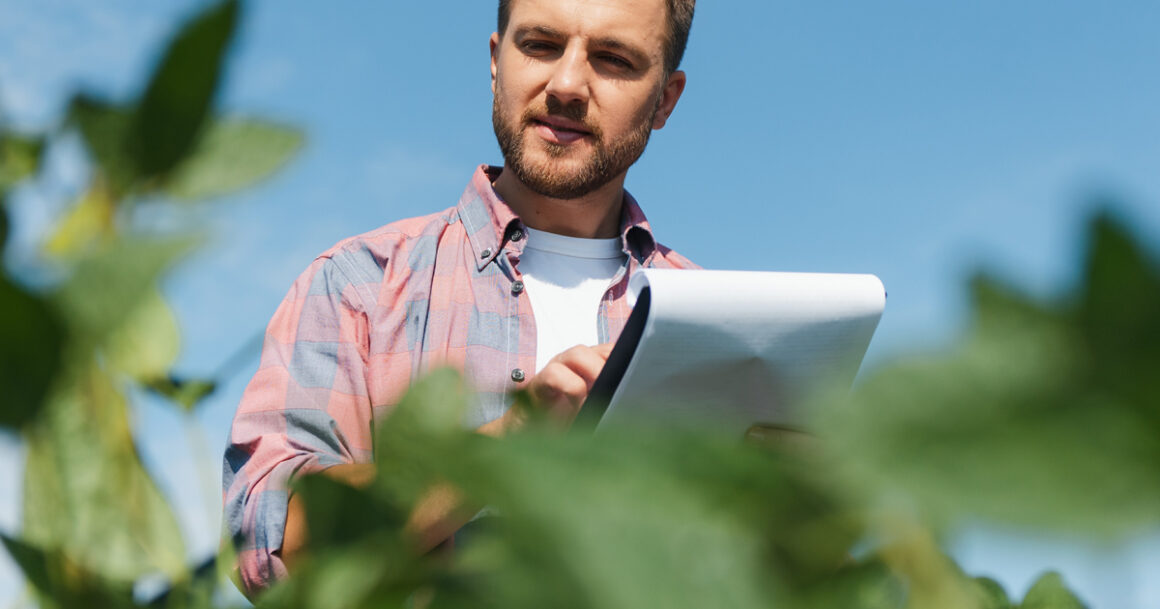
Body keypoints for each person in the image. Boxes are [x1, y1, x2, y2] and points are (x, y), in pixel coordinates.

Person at [223, 0, 697, 596]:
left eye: (612, 59)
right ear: (497, 61)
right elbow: (267, 539)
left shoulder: (715, 322)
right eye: (541, 45)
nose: (568, 84)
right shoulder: (358, 285)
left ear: (665, 100)